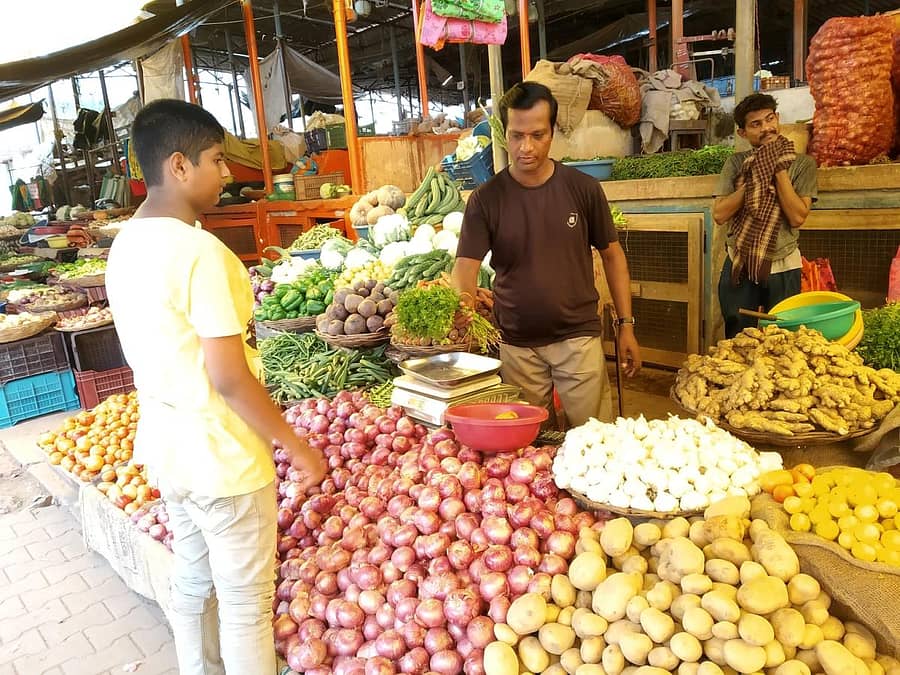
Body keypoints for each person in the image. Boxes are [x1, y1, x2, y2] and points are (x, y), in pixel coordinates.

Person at [106, 99, 326, 675]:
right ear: (179, 166)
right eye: (217, 160)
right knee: (245, 604)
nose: (228, 174)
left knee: (192, 580)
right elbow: (229, 377)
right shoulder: (201, 252)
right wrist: (295, 445)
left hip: (169, 451)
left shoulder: (125, 243)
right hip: (223, 459)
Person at [451, 81, 642, 428]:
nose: (526, 147)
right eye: (516, 135)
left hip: (578, 340)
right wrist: (463, 304)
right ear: (504, 134)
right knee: (528, 441)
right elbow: (465, 266)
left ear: (553, 132)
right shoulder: (486, 199)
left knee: (593, 439)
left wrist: (625, 326)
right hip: (517, 345)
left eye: (537, 135)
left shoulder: (583, 189)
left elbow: (613, 257)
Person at [714, 93, 818, 338]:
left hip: (783, 263)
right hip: (740, 262)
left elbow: (797, 217)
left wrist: (777, 169)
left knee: (782, 335)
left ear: (777, 118)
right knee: (738, 332)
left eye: (769, 119)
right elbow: (719, 213)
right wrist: (755, 178)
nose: (766, 128)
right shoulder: (735, 163)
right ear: (743, 133)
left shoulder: (803, 165)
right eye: (755, 124)